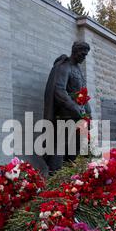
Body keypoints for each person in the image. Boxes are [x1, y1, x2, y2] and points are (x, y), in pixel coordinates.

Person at [43, 41, 92, 175]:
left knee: (76, 147)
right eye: (82, 54)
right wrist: (74, 107)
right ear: (75, 51)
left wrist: (88, 111)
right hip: (65, 116)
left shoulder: (78, 70)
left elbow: (82, 93)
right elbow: (59, 91)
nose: (84, 57)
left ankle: (70, 178)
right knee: (60, 146)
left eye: (86, 55)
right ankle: (54, 178)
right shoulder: (64, 67)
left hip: (79, 117)